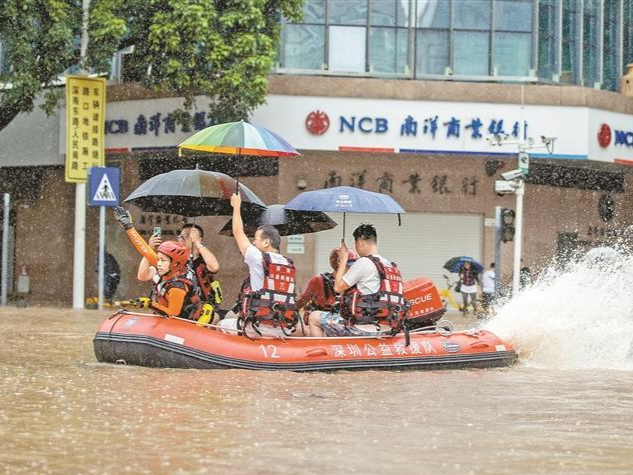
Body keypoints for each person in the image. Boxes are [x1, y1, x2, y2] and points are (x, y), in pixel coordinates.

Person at [220, 193, 302, 338]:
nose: (253, 242)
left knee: (223, 324)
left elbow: (238, 232)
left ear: (266, 243)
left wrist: (236, 206)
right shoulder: (288, 263)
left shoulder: (257, 257)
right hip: (283, 328)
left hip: (258, 327)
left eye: (256, 239)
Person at [307, 223, 406, 337]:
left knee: (314, 317)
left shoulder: (364, 262)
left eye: (355, 244)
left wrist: (343, 260)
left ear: (360, 242)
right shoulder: (390, 266)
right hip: (388, 328)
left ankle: (323, 352)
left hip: (363, 328)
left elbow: (338, 287)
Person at [113, 207, 201, 319]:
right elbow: (145, 250)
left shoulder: (177, 287)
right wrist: (129, 227)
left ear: (175, 263)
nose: (158, 263)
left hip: (183, 325)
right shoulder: (169, 268)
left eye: (163, 260)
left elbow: (173, 313)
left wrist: (150, 304)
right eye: (159, 259)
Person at [137, 223, 222, 324]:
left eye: (187, 235)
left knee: (214, 317)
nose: (182, 238)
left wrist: (198, 243)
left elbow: (214, 267)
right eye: (180, 236)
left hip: (197, 312)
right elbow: (143, 275)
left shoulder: (203, 261)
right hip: (168, 311)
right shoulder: (169, 261)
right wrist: (149, 249)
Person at [295, 247, 359, 314]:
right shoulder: (319, 281)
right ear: (337, 263)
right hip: (321, 321)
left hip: (346, 321)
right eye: (349, 266)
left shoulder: (356, 282)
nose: (352, 269)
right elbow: (301, 302)